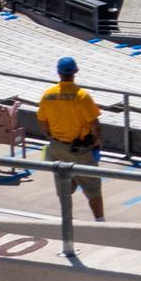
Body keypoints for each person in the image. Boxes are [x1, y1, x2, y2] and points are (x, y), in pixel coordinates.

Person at [38, 57, 106, 221]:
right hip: (81, 151)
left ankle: (66, 220)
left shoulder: (48, 95)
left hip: (57, 148)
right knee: (92, 188)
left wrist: (51, 137)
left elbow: (42, 121)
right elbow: (96, 125)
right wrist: (96, 141)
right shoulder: (81, 96)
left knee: (64, 187)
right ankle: (100, 222)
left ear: (58, 73)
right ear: (75, 72)